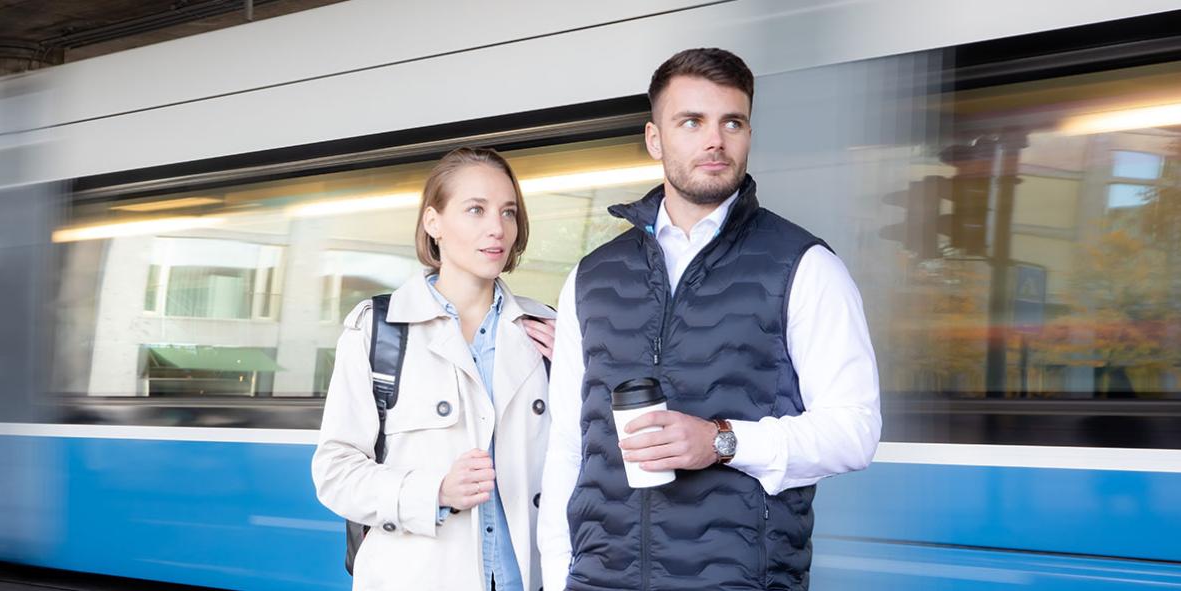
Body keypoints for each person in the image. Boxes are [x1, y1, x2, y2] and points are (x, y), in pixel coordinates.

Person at [537, 48, 882, 591]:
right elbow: (567, 446)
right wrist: (560, 578)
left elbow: (855, 430)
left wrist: (723, 441)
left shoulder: (805, 266)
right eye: (691, 121)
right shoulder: (591, 277)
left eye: (732, 122)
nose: (714, 140)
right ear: (655, 139)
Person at [312, 147, 558, 591]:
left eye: (508, 212)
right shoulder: (377, 330)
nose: (496, 228)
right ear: (433, 223)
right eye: (475, 210)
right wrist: (436, 492)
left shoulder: (549, 331)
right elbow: (335, 472)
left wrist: (583, 376)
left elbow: (590, 461)